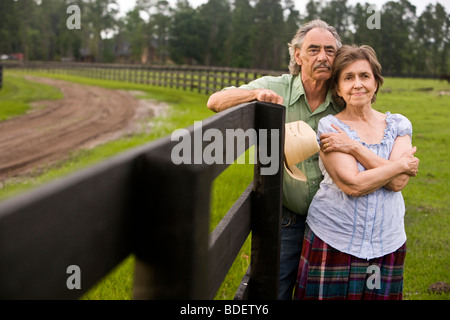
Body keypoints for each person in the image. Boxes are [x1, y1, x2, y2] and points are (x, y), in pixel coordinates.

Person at [207, 20, 344, 300]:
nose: (322, 57)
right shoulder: (276, 86)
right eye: (314, 49)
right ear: (297, 55)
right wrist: (255, 95)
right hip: (287, 218)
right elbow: (215, 101)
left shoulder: (343, 96)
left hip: (332, 219)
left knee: (323, 293)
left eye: (330, 51)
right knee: (271, 291)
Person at [293, 44, 419, 300]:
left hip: (387, 241)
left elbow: (398, 183)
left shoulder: (398, 124)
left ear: (376, 83)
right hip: (334, 237)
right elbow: (353, 185)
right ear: (338, 88)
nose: (357, 84)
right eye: (348, 78)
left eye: (364, 76)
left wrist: (353, 147)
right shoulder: (330, 127)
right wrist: (401, 164)